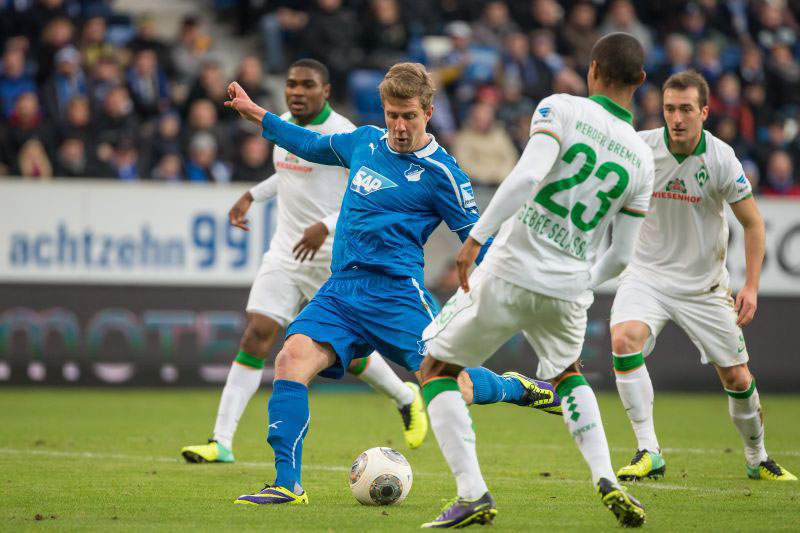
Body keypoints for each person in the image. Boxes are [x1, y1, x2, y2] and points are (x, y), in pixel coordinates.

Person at [223, 61, 560, 506]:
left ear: (429, 112)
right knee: (290, 359)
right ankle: (288, 484)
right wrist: (255, 112)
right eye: (392, 116)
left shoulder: (443, 173)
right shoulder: (364, 142)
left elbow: (480, 241)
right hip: (342, 290)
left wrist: (523, 289)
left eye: (409, 117)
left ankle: (517, 388)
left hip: (397, 295)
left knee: (450, 385)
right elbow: (309, 144)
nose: (400, 127)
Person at [419, 33, 654, 528]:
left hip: (511, 269)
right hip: (569, 287)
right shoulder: (641, 157)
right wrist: (582, 281)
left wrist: (475, 238)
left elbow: (526, 177)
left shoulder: (560, 108)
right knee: (567, 374)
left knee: (436, 370)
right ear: (640, 80)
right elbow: (621, 255)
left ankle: (472, 493)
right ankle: (605, 476)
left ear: (593, 69)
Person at [180, 59, 428, 465]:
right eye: (292, 84)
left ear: (325, 91)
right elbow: (289, 172)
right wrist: (253, 195)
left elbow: (370, 192)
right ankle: (220, 441)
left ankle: (404, 396)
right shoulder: (283, 124)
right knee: (257, 333)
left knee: (348, 352)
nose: (297, 91)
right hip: (285, 251)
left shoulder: (345, 132)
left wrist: (324, 227)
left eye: (307, 85)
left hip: (334, 258)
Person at [611, 70, 797, 482]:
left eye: (686, 109)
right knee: (623, 341)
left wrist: (751, 286)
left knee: (737, 377)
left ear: (705, 112)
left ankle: (757, 457)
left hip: (704, 286)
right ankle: (648, 450)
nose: (676, 118)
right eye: (669, 109)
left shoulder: (721, 158)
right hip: (647, 275)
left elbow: (753, 223)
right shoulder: (640, 149)